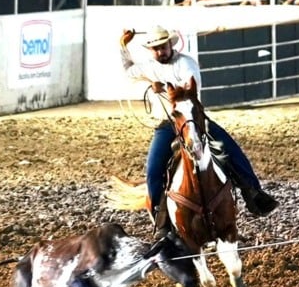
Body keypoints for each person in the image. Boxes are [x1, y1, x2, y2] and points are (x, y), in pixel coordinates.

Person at [119, 26, 279, 237]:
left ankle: (253, 192)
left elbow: (189, 89)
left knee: (230, 149)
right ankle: (161, 221)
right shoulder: (148, 67)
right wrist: (123, 44)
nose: (160, 52)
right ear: (151, 51)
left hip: (193, 118)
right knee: (153, 171)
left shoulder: (186, 63)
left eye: (163, 47)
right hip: (167, 125)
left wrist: (164, 85)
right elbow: (128, 69)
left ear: (170, 45)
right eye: (156, 49)